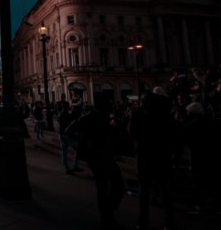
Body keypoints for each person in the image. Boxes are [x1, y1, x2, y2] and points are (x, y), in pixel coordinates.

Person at [67, 106, 124, 230]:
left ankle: (105, 214)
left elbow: (69, 130)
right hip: (102, 157)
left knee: (103, 186)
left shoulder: (90, 118)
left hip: (97, 157)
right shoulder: (97, 118)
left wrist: (83, 144)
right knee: (115, 186)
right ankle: (106, 214)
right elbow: (69, 130)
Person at [130, 87, 178, 230]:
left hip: (144, 157)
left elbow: (132, 133)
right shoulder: (165, 114)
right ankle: (169, 222)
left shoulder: (138, 114)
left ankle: (142, 222)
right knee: (166, 193)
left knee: (144, 192)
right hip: (163, 157)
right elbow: (173, 134)